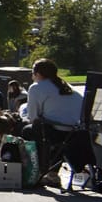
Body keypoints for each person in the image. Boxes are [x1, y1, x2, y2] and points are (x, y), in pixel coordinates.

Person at [22, 58, 86, 186]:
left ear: (38, 74)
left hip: (55, 132)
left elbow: (33, 117)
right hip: (75, 133)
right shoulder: (69, 88)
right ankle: (53, 172)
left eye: (33, 74)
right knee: (53, 135)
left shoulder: (36, 87)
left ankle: (37, 170)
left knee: (27, 129)